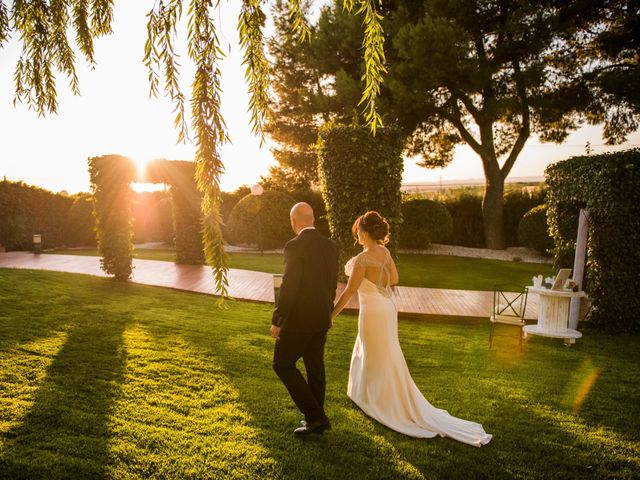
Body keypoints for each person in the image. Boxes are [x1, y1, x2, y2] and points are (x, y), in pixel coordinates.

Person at [331, 211, 492, 447]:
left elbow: (349, 291)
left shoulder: (363, 259)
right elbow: (394, 278)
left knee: (374, 354)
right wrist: (377, 285)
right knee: (384, 353)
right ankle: (370, 396)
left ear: (365, 233)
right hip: (387, 307)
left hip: (373, 313)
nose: (357, 238)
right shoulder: (384, 253)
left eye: (358, 233)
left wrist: (331, 314)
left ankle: (378, 401)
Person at [271, 202, 339, 436]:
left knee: (282, 364)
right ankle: (315, 421)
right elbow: (332, 286)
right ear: (312, 219)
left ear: (294, 221)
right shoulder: (331, 246)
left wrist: (277, 319)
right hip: (322, 317)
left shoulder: (294, 246)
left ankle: (316, 417)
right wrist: (327, 311)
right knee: (314, 366)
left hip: (299, 320)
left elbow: (289, 286)